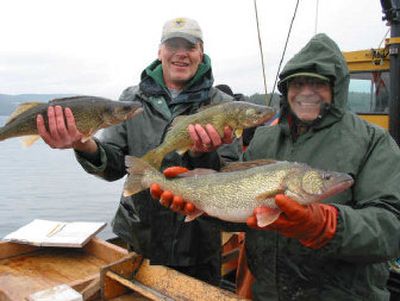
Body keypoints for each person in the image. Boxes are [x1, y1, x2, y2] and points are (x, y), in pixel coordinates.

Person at [150, 33, 400, 300]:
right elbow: (244, 212)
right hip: (266, 293)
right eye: (297, 83)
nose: (306, 92)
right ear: (287, 89)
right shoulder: (265, 137)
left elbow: (391, 227)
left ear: (336, 89)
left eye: (318, 83)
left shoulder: (374, 141)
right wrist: (201, 197)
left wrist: (326, 225)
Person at [36, 17, 241, 286]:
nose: (181, 53)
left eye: (189, 46)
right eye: (173, 45)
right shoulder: (130, 101)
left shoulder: (225, 106)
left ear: (201, 53)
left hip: (199, 245)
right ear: (160, 52)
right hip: (138, 238)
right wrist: (83, 144)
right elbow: (114, 166)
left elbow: (232, 178)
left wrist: (202, 154)